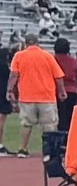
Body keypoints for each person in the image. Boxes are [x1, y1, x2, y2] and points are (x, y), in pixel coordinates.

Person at [5, 30, 60, 158]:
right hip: (46, 96)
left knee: (26, 123)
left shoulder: (19, 56)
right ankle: (49, 151)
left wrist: (9, 90)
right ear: (38, 43)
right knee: (49, 125)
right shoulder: (48, 56)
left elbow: (14, 75)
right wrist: (61, 91)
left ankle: (22, 149)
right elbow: (58, 76)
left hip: (26, 96)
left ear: (25, 43)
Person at [51, 37, 77, 143]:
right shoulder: (73, 60)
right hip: (71, 91)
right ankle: (68, 141)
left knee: (58, 118)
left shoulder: (53, 59)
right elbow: (75, 74)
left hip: (56, 91)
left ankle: (58, 141)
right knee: (69, 118)